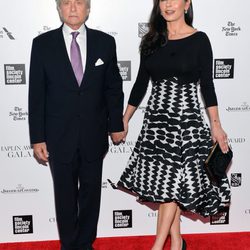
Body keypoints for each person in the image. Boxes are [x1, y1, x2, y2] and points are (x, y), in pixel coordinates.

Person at [118, 0, 231, 250]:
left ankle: (157, 246)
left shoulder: (200, 40)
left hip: (186, 121)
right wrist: (125, 118)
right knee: (168, 186)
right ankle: (177, 242)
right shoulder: (151, 41)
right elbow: (140, 84)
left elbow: (207, 86)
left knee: (171, 183)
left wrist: (216, 125)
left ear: (187, 3)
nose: (168, 4)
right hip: (157, 124)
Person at [28, 0, 124, 249]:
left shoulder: (105, 42)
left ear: (88, 9)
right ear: (58, 9)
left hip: (94, 135)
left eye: (79, 2)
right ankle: (69, 245)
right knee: (65, 197)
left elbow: (113, 88)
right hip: (58, 137)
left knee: (92, 195)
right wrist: (37, 137)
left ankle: (85, 244)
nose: (72, 8)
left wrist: (115, 124)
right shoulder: (42, 45)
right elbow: (36, 95)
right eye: (66, 3)